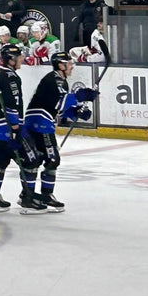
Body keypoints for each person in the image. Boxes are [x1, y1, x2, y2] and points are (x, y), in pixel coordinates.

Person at [23, 51, 98, 212]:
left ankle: (29, 195)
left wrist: (75, 112)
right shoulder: (54, 79)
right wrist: (80, 96)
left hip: (38, 120)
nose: (71, 66)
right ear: (60, 65)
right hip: (40, 121)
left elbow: (59, 108)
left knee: (39, 158)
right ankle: (38, 196)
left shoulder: (60, 81)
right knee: (52, 159)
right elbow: (58, 103)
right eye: (69, 64)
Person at [0, 43, 46, 213]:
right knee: (31, 160)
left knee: (0, 161)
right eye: (19, 56)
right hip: (7, 128)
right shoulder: (11, 77)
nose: (22, 59)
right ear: (11, 60)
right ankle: (28, 199)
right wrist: (16, 129)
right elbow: (11, 103)